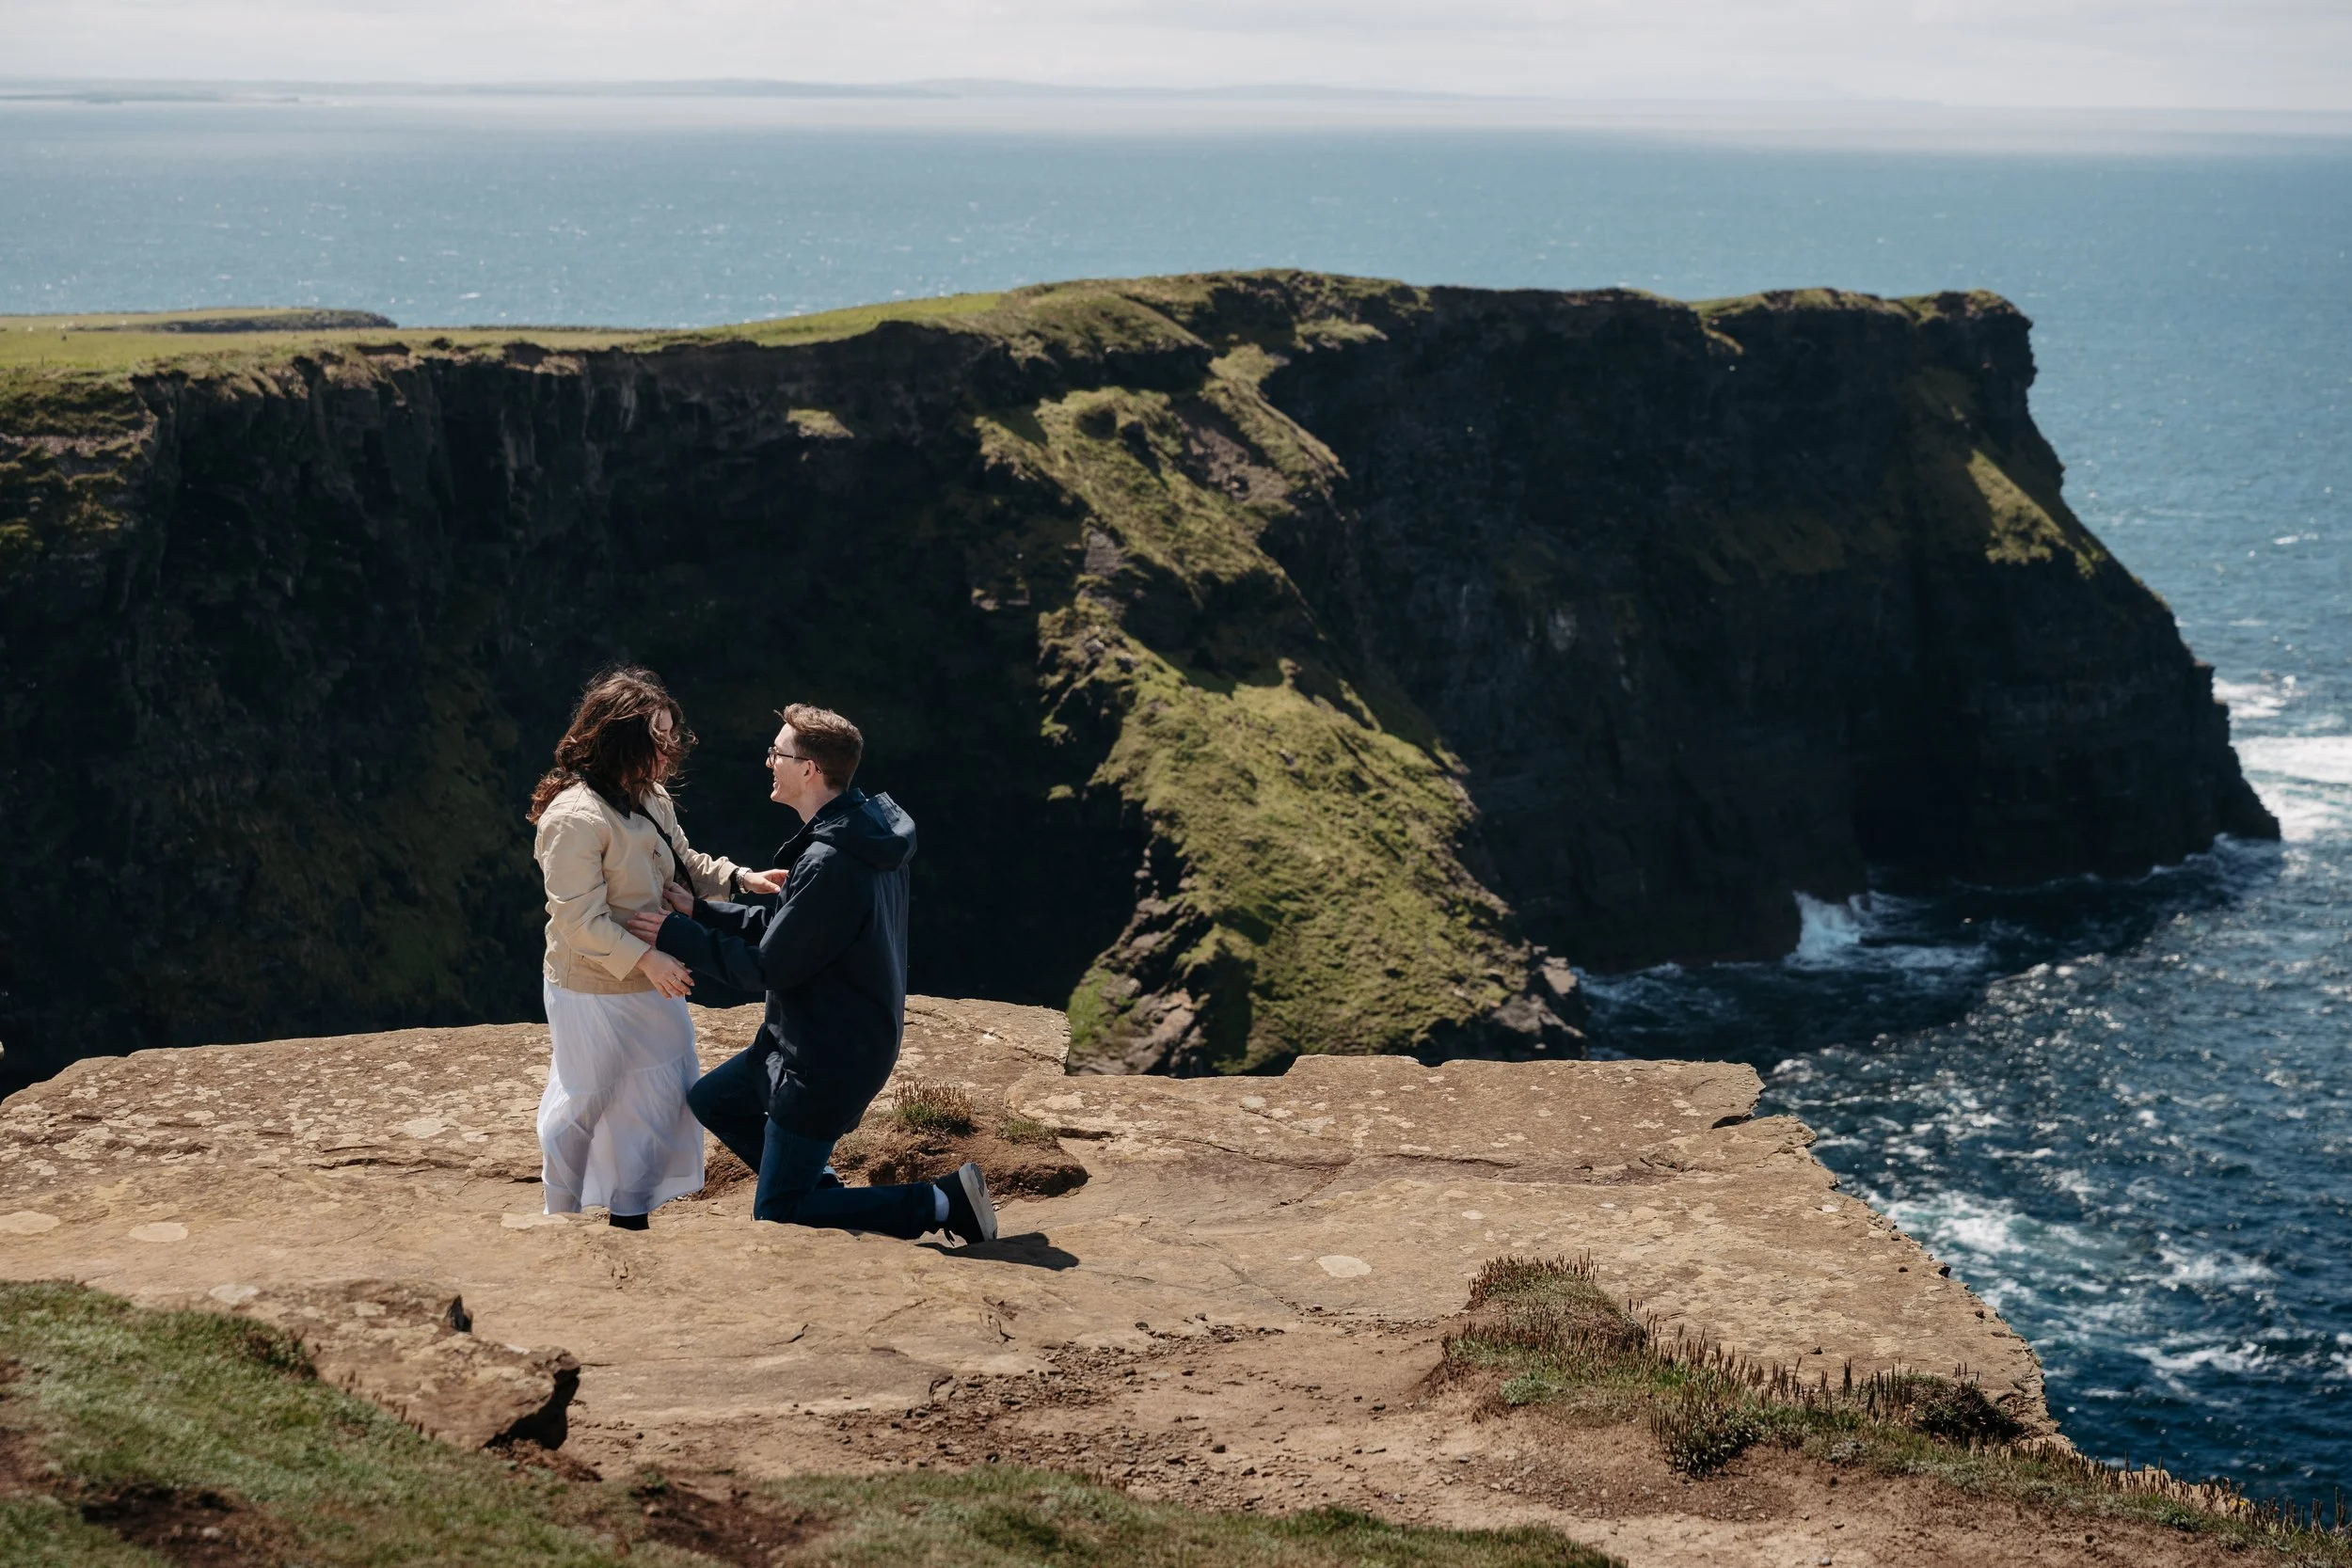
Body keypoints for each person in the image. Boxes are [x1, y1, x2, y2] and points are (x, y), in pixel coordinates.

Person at [622, 703, 996, 1246]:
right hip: (809, 1037)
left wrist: (674, 936)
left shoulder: (833, 862)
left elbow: (768, 967)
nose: (768, 761)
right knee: (714, 1101)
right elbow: (787, 925)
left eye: (777, 752)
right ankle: (819, 1188)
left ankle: (942, 1200)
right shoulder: (854, 832)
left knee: (780, 1212)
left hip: (825, 1059)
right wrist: (699, 912)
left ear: (809, 771)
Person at [527, 667, 785, 1230]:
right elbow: (578, 920)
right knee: (586, 1099)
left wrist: (742, 878)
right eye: (657, 740)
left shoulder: (650, 797)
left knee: (661, 1096)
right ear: (620, 739)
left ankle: (630, 1209)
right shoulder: (573, 818)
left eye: (671, 738)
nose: (669, 752)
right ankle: (559, 1209)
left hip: (654, 977)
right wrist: (648, 957)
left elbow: (683, 867)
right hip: (591, 986)